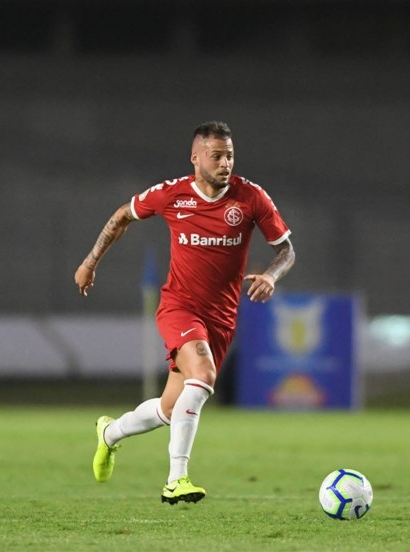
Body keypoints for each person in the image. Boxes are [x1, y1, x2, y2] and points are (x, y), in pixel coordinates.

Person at [74, 121, 296, 504]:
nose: (225, 163)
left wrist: (273, 276)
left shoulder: (250, 197)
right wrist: (91, 261)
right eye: (216, 156)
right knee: (204, 374)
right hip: (179, 306)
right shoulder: (171, 195)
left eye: (229, 155)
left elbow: (287, 250)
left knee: (170, 408)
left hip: (221, 318)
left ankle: (109, 433)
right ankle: (177, 479)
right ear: (196, 158)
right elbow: (122, 216)